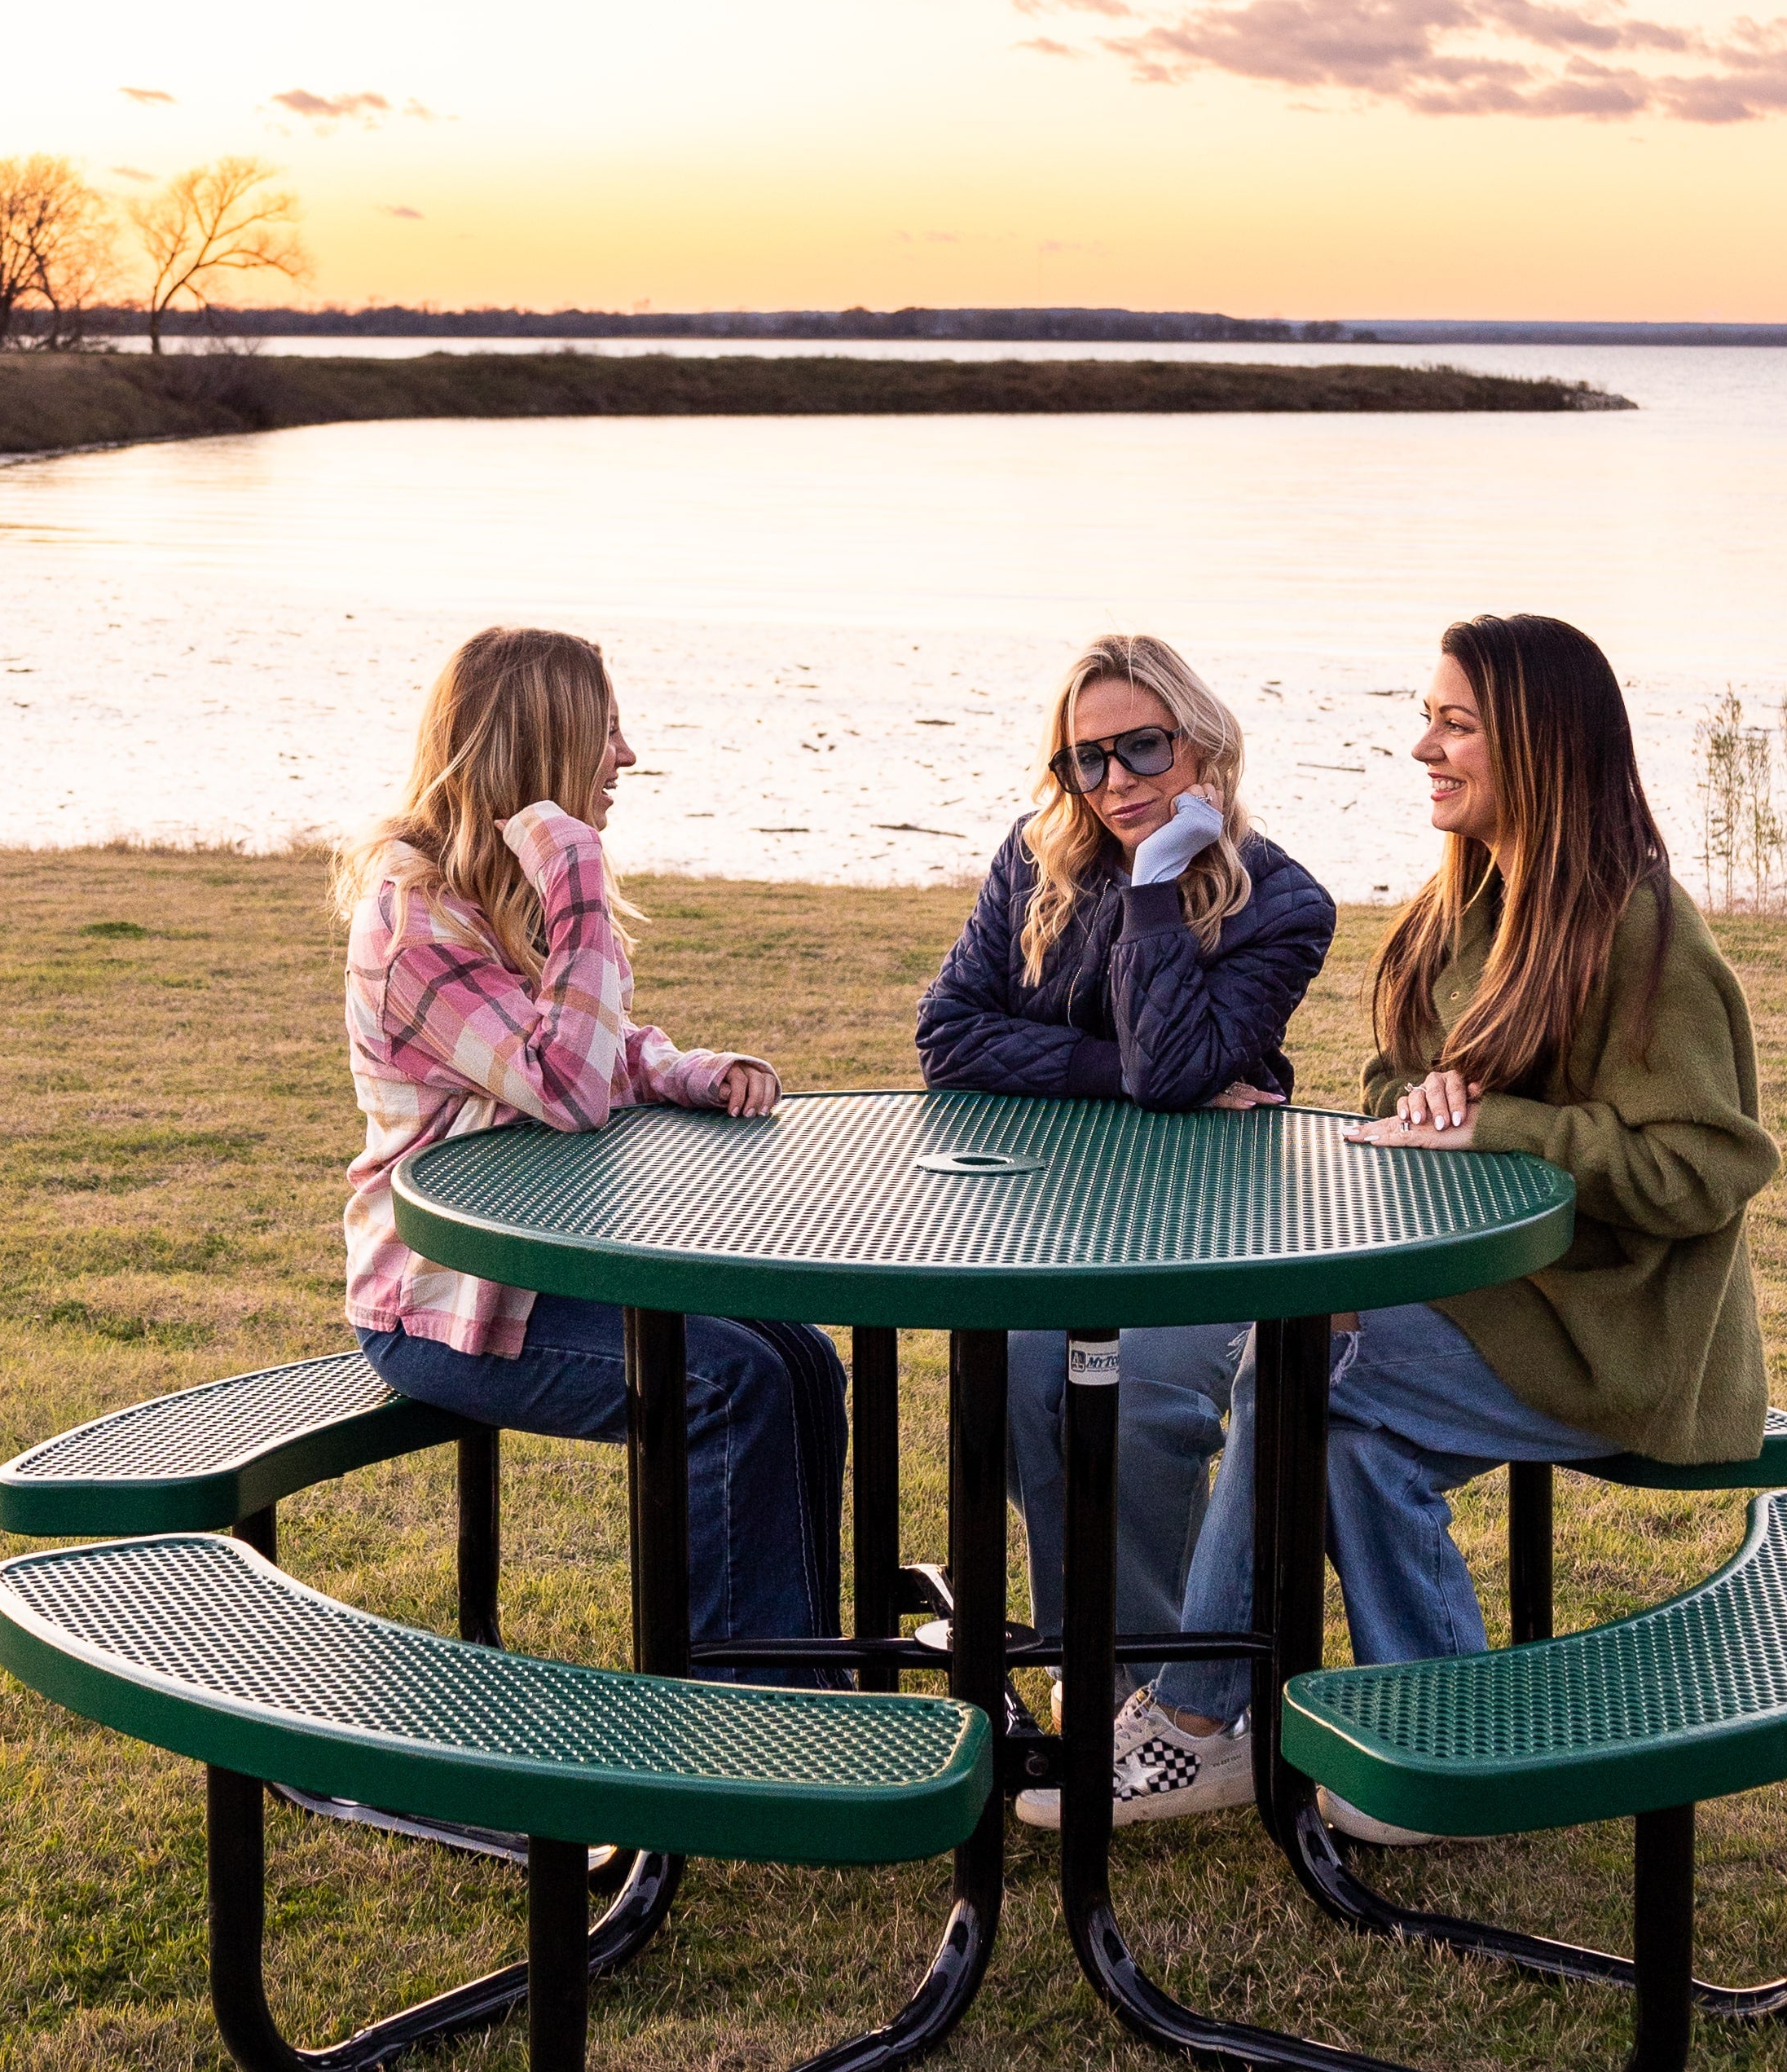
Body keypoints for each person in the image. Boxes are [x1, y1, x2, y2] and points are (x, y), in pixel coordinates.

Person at [1116, 610, 1779, 1841]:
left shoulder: (1642, 932)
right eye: (1427, 718)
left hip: (1614, 1341)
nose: (1423, 746)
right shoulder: (1456, 907)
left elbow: (1703, 1167)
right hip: (1494, 1303)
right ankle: (1445, 1748)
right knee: (1349, 1441)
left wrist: (1499, 1124)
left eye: (1455, 724)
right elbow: (1393, 1082)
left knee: (1304, 1368)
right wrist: (1425, 1100)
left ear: (1539, 743)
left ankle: (1197, 1719)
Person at [339, 623, 846, 1675]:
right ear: (542, 743)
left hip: (547, 1271)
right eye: (606, 730)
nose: (627, 755)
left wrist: (685, 1068)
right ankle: (742, 1706)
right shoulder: (415, 918)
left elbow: (588, 1043)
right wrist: (578, 871)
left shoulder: (502, 886)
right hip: (447, 1300)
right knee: (730, 1386)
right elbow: (566, 1083)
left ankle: (802, 1674)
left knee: (801, 1359)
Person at [916, 631, 1334, 1776]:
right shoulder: (1032, 861)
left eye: (1142, 747)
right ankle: (1091, 1663)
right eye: (1084, 760)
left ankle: (1154, 1690)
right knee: (1022, 1379)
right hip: (1055, 1210)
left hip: (1211, 1221)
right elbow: (948, 1036)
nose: (1113, 782)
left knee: (1143, 1399)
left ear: (1200, 740)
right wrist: (1118, 1071)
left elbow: (1179, 1067)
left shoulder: (1283, 903)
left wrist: (1155, 891)